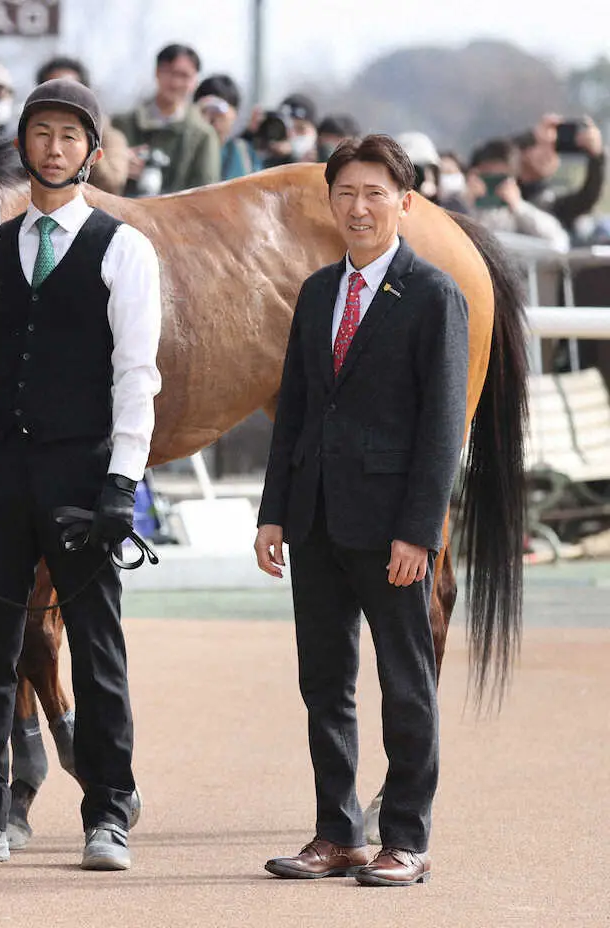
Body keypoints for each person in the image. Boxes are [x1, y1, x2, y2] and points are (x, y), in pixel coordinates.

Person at [0, 78, 161, 871]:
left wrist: (123, 481)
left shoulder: (125, 247)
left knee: (98, 645)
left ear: (90, 150)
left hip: (85, 473)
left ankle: (108, 815)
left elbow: (136, 372)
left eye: (69, 136)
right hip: (3, 470)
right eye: (41, 134)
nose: (53, 148)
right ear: (23, 147)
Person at [254, 135, 469, 887]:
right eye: (346, 192)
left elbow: (445, 426)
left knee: (405, 681)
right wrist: (273, 511)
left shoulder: (435, 294)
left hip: (392, 531)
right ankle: (337, 832)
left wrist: (420, 531)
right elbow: (297, 411)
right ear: (330, 201)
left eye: (376, 192)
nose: (359, 206)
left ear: (405, 204)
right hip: (313, 519)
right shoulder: (316, 292)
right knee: (325, 682)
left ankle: (405, 837)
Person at [112, 43, 220, 196]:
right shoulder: (123, 124)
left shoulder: (203, 136)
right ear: (156, 72)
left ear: (195, 80)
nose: (175, 83)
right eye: (169, 72)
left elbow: (206, 194)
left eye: (184, 75)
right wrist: (116, 165)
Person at [36, 55, 128, 195]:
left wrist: (86, 140)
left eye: (70, 92)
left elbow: (111, 184)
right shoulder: (29, 136)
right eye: (53, 91)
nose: (61, 98)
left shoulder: (109, 137)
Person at [467, 137, 569, 250]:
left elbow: (557, 242)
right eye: (487, 176)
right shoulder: (458, 201)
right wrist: (465, 203)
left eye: (500, 178)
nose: (493, 185)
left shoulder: (518, 213)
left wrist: (518, 206)